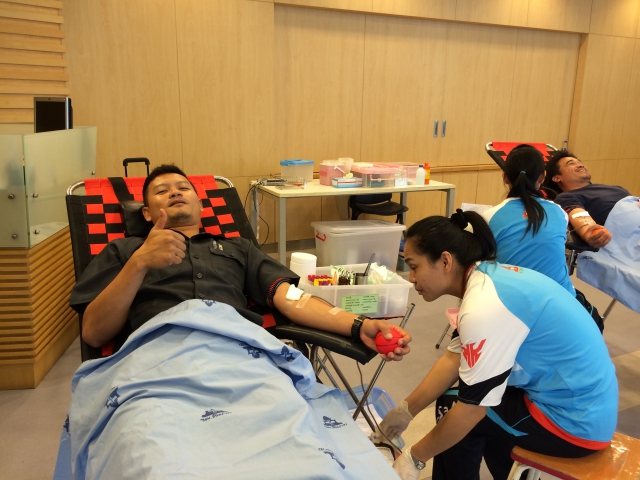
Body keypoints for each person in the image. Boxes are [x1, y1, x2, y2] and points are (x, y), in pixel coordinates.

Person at [70, 164, 411, 358]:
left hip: (237, 354)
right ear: (146, 213)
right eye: (162, 191)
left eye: (183, 188)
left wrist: (360, 324)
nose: (174, 192)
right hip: (158, 359)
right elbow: (94, 334)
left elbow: (293, 299)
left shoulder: (238, 248)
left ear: (200, 204)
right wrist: (139, 263)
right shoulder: (124, 250)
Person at [377, 210, 617, 480]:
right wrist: (405, 411)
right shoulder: (486, 279)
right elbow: (453, 359)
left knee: (457, 409)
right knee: (470, 405)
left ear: (445, 261)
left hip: (573, 425)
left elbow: (471, 410)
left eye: (414, 266)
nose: (411, 278)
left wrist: (414, 458)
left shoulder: (483, 306)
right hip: (585, 407)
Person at [482, 144, 574, 295]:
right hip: (562, 299)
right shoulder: (560, 212)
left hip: (510, 300)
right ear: (542, 177)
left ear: (505, 177)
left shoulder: (488, 217)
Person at [543, 151, 631, 248]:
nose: (580, 165)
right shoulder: (567, 197)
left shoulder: (616, 188)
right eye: (571, 163)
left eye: (579, 162)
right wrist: (590, 232)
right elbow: (579, 216)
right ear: (557, 178)